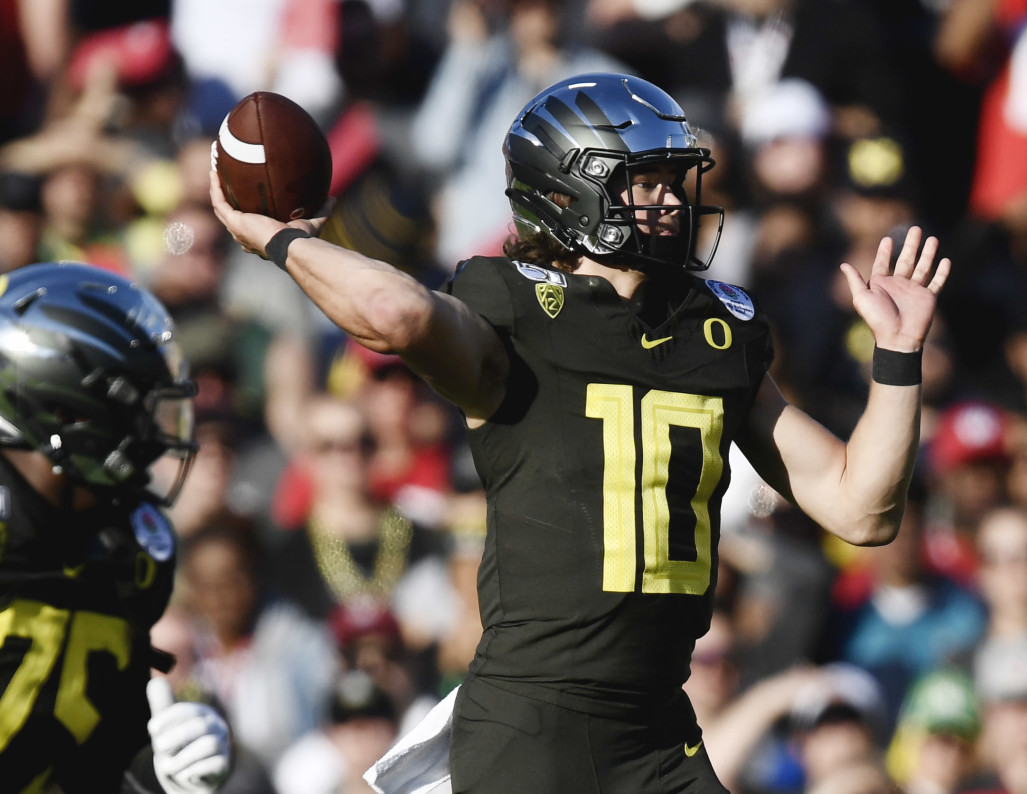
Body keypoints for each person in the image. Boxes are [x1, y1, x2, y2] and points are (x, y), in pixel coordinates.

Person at [210, 71, 951, 794]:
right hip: (534, 723)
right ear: (567, 190)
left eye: (673, 179)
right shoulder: (515, 311)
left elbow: (863, 507)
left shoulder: (717, 332)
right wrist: (281, 241)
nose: (671, 200)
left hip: (658, 727)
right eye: (646, 180)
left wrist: (897, 356)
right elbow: (398, 314)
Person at [0, 261, 231, 792]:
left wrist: (160, 770)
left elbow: (99, 756)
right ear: (65, 407)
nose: (155, 436)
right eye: (135, 410)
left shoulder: (130, 545)